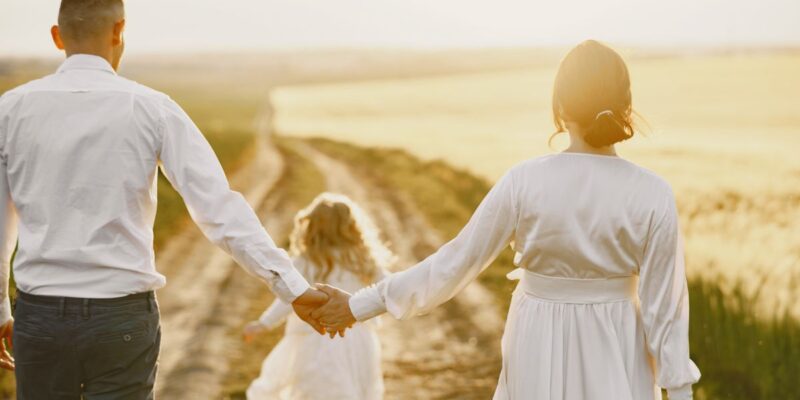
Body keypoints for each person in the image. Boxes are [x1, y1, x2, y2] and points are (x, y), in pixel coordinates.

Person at [313, 40, 702, 400]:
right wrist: (681, 394)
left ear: (561, 108)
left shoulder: (524, 181)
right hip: (618, 345)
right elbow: (665, 311)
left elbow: (455, 262)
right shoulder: (653, 193)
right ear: (625, 106)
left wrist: (360, 304)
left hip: (537, 337)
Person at [0, 0, 328, 398]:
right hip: (121, 318)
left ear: (57, 36)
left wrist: (3, 308)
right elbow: (219, 210)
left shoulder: (10, 111)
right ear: (120, 31)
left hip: (41, 316)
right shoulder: (152, 108)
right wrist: (291, 287)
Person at [242, 193, 389, 400]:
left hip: (314, 338)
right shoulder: (364, 259)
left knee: (314, 390)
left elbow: (288, 299)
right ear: (352, 226)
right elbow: (388, 289)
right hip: (358, 339)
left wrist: (263, 323)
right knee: (354, 389)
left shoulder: (306, 261)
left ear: (312, 227)